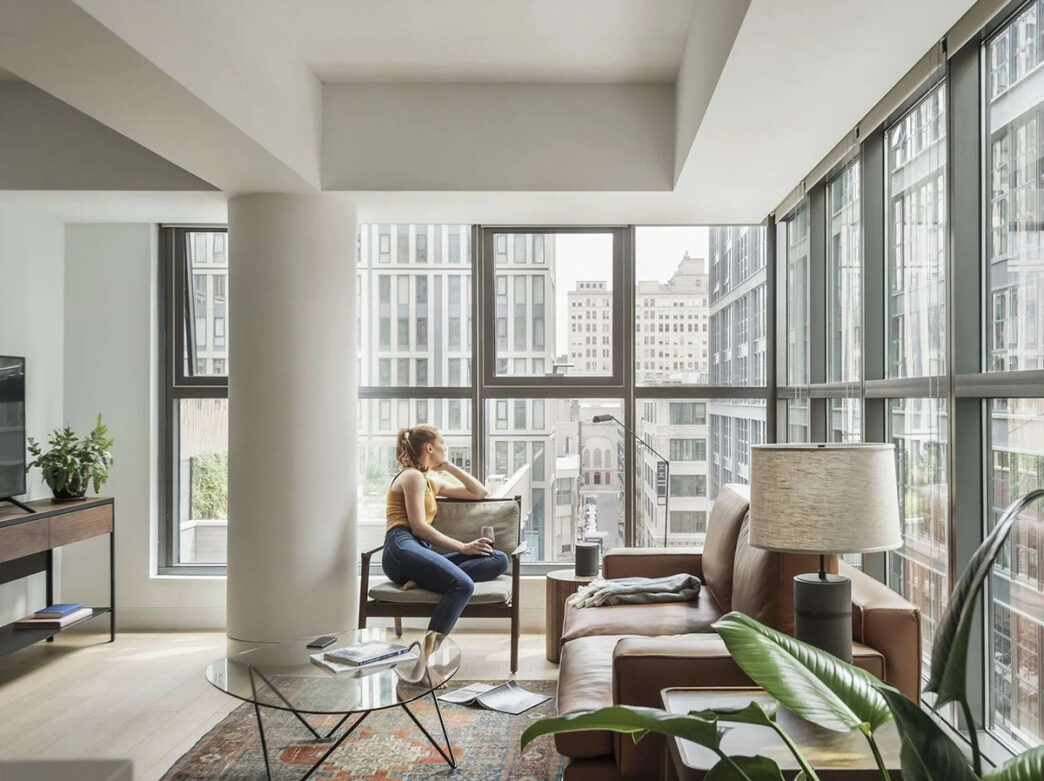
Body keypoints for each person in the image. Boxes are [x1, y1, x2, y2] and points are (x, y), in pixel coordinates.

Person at [383, 425, 508, 635]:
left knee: (498, 559)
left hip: (418, 551)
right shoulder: (411, 476)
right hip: (400, 548)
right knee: (463, 585)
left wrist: (449, 467)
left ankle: (421, 580)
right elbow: (418, 526)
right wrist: (464, 547)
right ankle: (428, 655)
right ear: (430, 447)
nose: (445, 447)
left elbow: (480, 492)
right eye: (443, 442)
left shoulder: (431, 481)